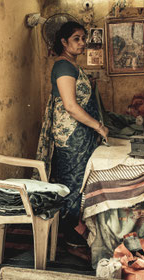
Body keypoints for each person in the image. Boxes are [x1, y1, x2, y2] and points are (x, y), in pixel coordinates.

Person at [35, 21, 109, 248]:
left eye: (83, 38)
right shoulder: (63, 67)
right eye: (77, 38)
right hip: (70, 136)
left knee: (80, 180)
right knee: (72, 182)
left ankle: (75, 227)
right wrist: (98, 126)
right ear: (64, 42)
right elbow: (70, 106)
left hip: (79, 134)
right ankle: (71, 232)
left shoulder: (72, 66)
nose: (82, 43)